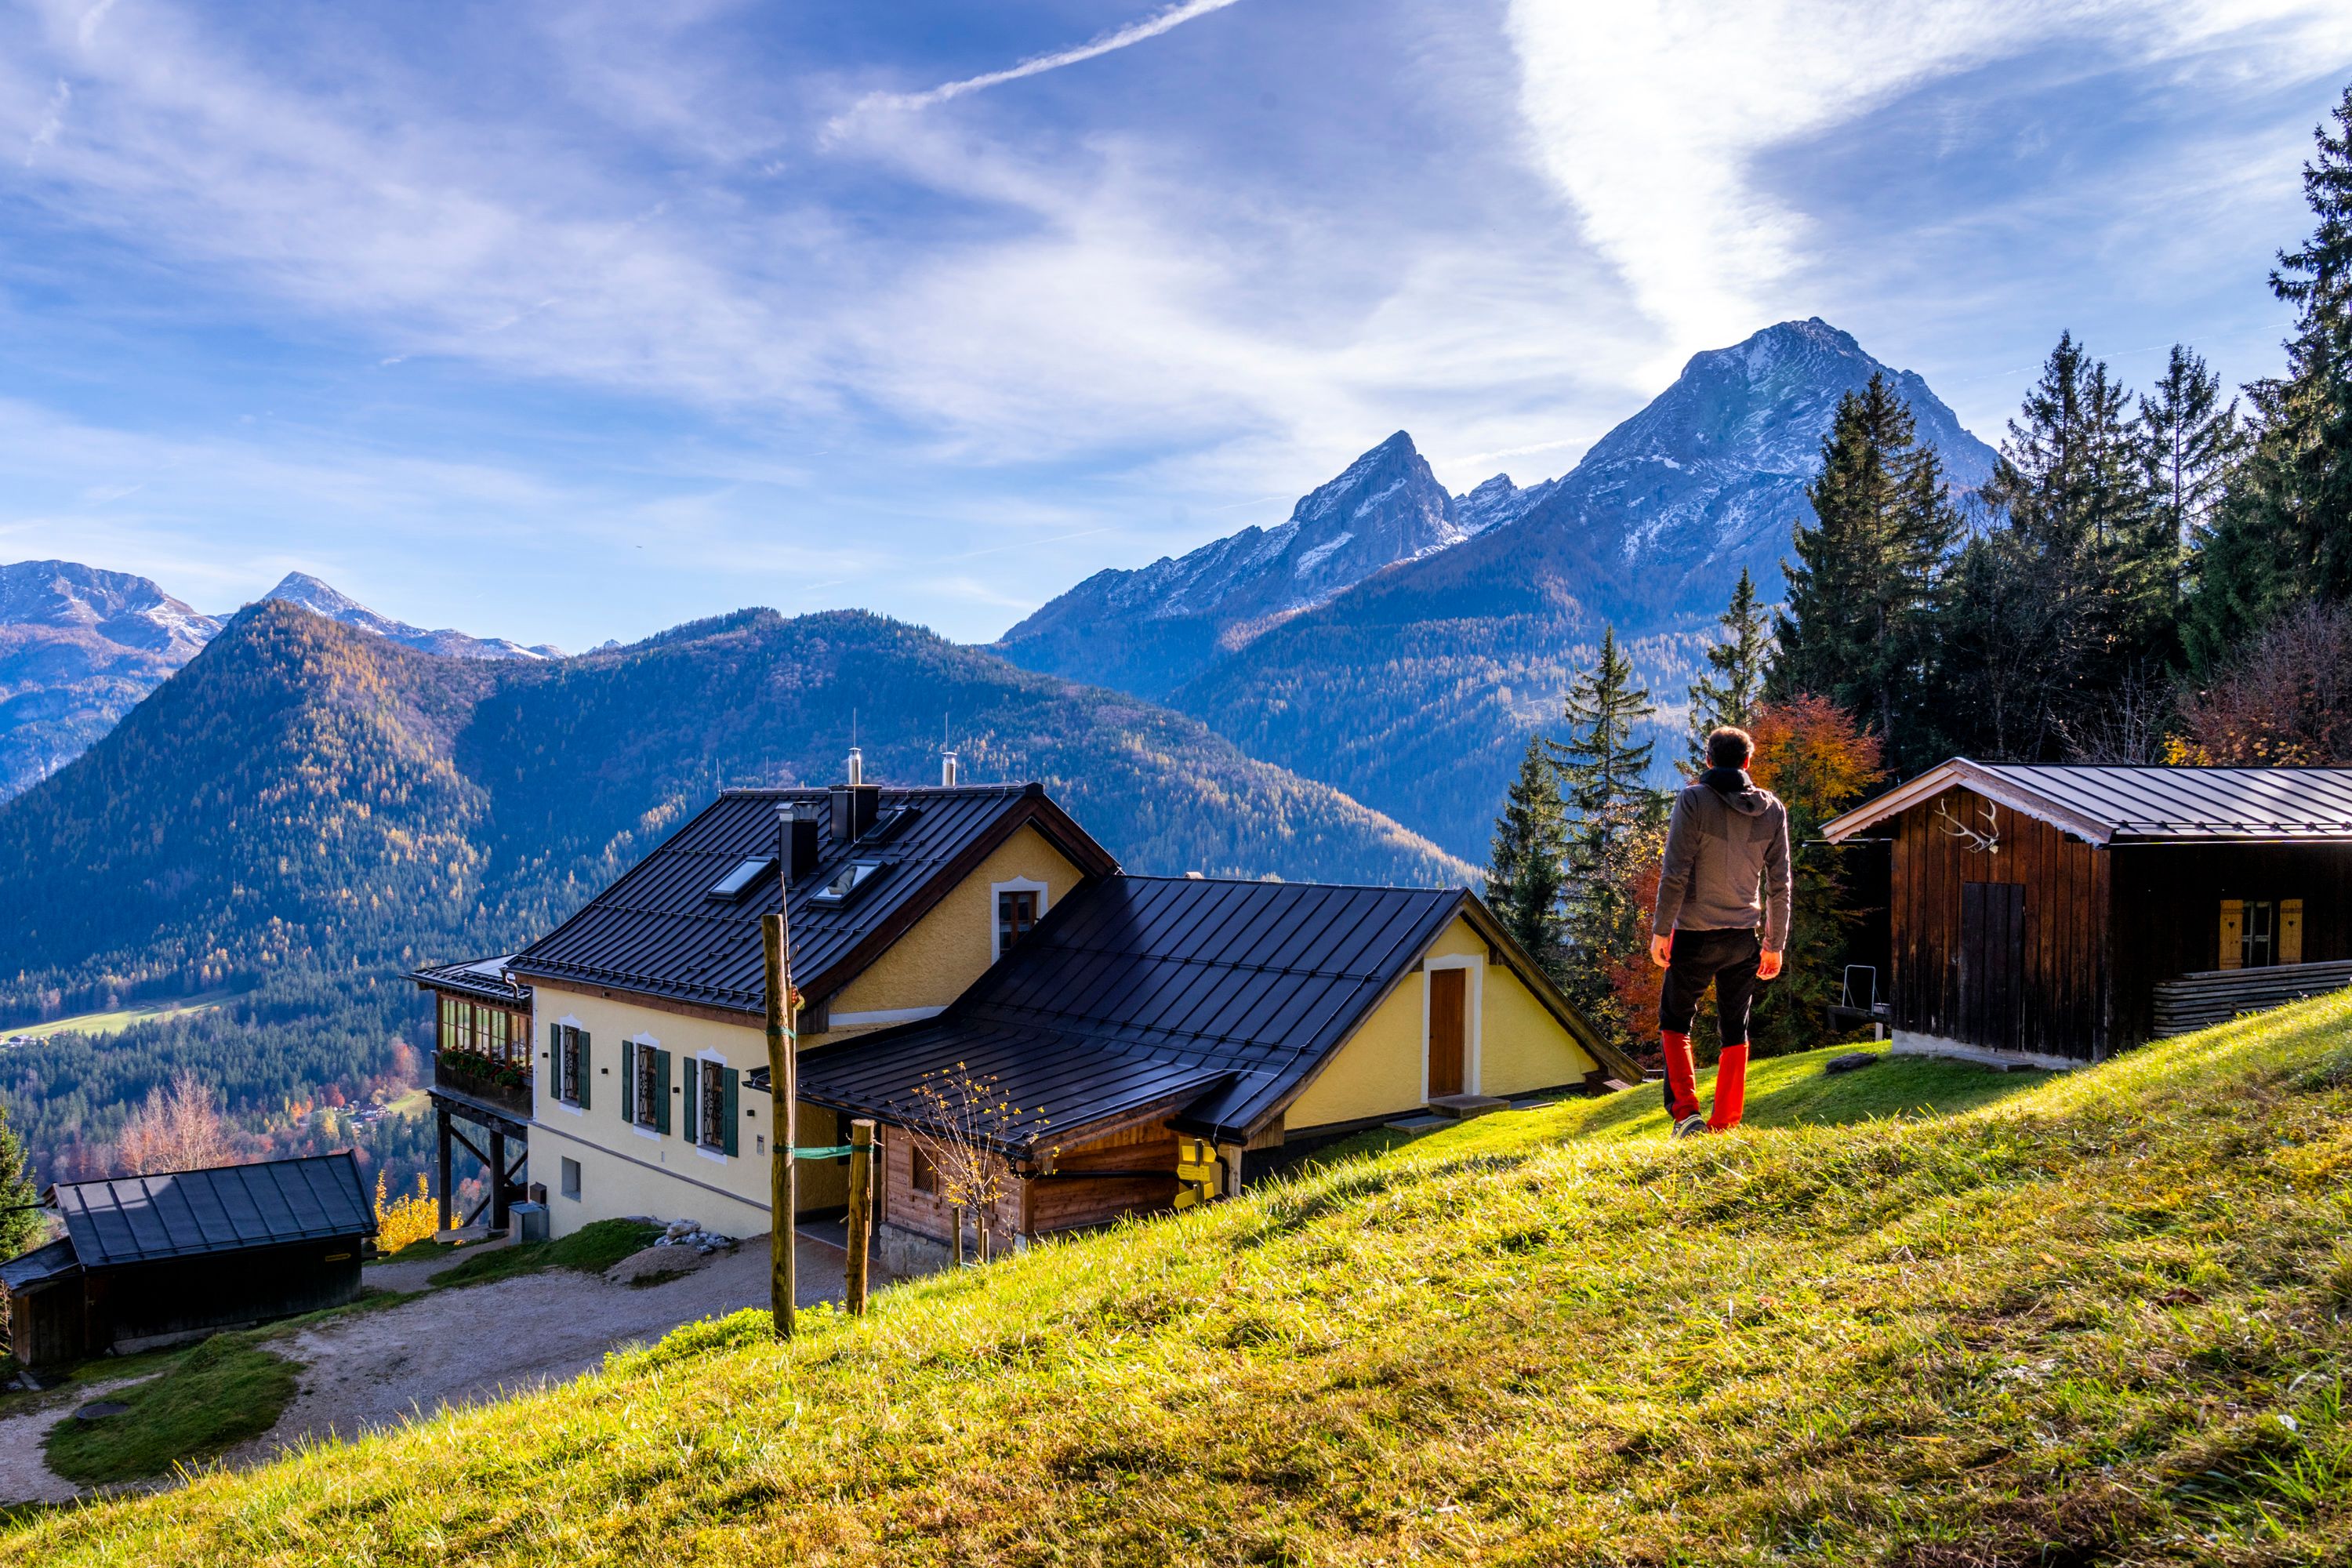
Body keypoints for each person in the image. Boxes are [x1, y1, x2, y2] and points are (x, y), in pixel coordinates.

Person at [1649, 725, 1791, 1137]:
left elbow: (1675, 872)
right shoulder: (1773, 809)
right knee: (1735, 1026)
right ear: (1748, 762)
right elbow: (1780, 883)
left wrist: (1661, 931)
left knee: (1675, 1021)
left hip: (1694, 933)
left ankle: (1686, 1114)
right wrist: (1774, 945)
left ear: (1708, 760)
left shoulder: (1693, 799)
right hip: (1743, 938)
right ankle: (1725, 1122)